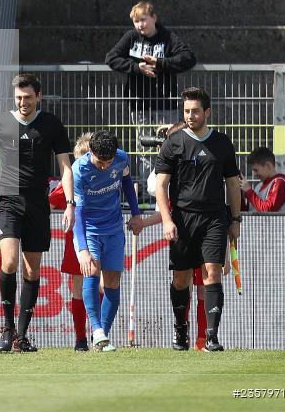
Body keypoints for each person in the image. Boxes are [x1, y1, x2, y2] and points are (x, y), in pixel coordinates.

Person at [0, 73, 74, 353]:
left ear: (38, 97)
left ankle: (21, 336)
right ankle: (6, 329)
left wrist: (70, 203)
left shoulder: (51, 124)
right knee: (8, 263)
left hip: (37, 203)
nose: (23, 102)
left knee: (32, 269)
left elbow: (65, 167)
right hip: (7, 200)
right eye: (19, 98)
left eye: (28, 98)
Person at [154, 87, 242, 352]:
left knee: (213, 273)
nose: (190, 116)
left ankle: (211, 335)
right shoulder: (173, 142)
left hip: (215, 218)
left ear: (207, 113)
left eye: (195, 111)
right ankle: (181, 329)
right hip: (182, 219)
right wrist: (168, 221)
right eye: (186, 111)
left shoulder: (223, 143)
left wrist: (235, 219)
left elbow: (233, 186)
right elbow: (161, 186)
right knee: (181, 279)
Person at [138, 120, 209, 351]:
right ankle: (182, 331)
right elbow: (155, 189)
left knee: (204, 284)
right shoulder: (168, 163)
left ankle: (204, 337)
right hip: (182, 230)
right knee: (182, 281)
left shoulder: (206, 157)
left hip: (207, 226)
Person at [72, 131, 143, 352]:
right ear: (90, 152)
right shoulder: (79, 170)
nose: (104, 167)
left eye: (108, 162)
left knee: (112, 282)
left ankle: (102, 337)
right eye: (100, 162)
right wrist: (82, 248)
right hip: (90, 230)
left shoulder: (121, 158)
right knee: (91, 271)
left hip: (114, 228)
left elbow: (127, 183)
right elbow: (79, 213)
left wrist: (136, 213)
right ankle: (96, 329)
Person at [105, 2, 196, 171]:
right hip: (139, 104)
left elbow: (188, 58)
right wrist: (136, 67)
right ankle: (147, 190)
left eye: (143, 20)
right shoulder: (131, 37)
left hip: (165, 103)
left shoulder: (167, 37)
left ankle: (168, 186)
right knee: (144, 147)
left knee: (169, 145)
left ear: (154, 18)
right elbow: (111, 58)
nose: (140, 25)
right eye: (136, 21)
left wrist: (160, 63)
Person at [50, 133, 92, 351]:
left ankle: (99, 332)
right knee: (78, 287)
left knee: (102, 284)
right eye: (78, 159)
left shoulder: (105, 174)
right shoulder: (71, 180)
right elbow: (51, 200)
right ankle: (80, 339)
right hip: (76, 239)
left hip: (103, 233)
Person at [242, 146, 285, 212]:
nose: (254, 174)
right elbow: (250, 211)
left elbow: (268, 210)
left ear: (268, 166)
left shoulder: (279, 183)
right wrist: (240, 195)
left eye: (256, 170)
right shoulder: (259, 186)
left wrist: (249, 191)